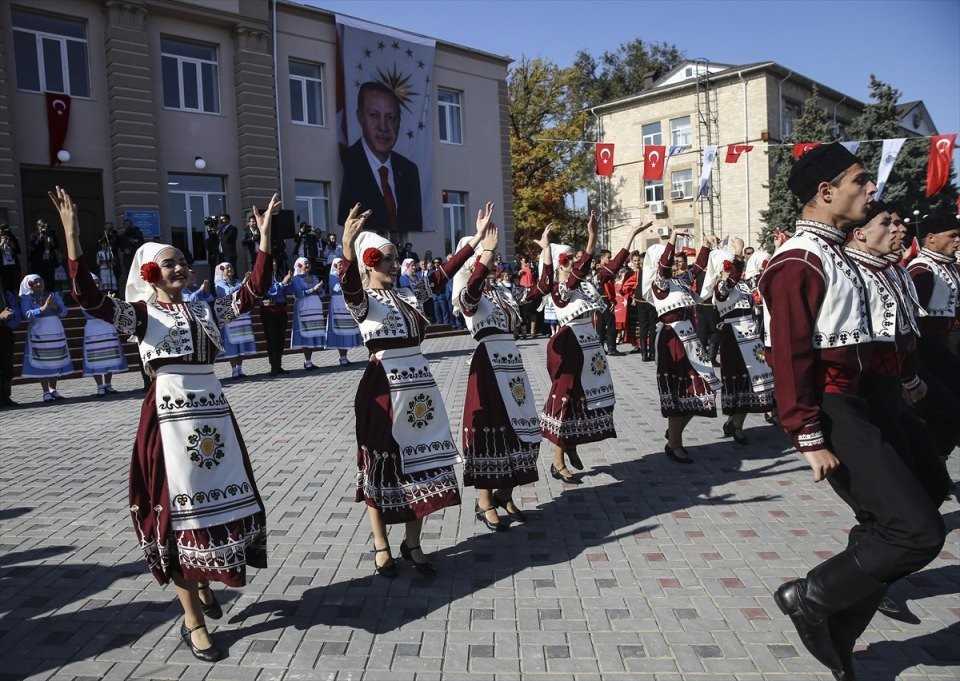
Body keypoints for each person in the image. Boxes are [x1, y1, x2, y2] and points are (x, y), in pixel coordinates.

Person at [54, 186, 277, 663]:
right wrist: (73, 238)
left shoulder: (206, 308)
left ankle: (202, 585)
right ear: (151, 272)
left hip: (213, 415)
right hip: (169, 418)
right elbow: (89, 299)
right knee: (177, 513)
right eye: (170, 263)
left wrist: (263, 240)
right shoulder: (139, 314)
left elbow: (253, 292)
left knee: (221, 503)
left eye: (183, 262)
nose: (181, 268)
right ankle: (192, 619)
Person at [757, 143, 944, 680]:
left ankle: (839, 623)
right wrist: (808, 434)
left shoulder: (838, 252)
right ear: (826, 191)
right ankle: (810, 598)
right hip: (835, 407)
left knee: (924, 495)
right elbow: (788, 357)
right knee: (917, 532)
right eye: (861, 181)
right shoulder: (799, 260)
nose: (871, 190)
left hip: (871, 397)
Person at [339, 201, 482, 578]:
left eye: (395, 257)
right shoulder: (364, 302)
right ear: (369, 261)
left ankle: (413, 543)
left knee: (422, 464)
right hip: (383, 387)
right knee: (381, 465)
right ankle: (381, 544)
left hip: (419, 387)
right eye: (386, 258)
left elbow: (443, 273)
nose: (394, 263)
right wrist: (346, 248)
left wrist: (475, 241)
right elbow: (349, 285)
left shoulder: (409, 293)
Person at [454, 211, 552, 531]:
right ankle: (484, 501)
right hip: (488, 365)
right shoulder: (470, 293)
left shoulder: (504, 291)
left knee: (521, 431)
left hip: (512, 365)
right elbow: (470, 296)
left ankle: (505, 494)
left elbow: (539, 290)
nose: (494, 261)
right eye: (487, 257)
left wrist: (546, 251)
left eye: (493, 257)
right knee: (490, 432)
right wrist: (484, 249)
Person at [540, 213, 651, 483]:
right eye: (569, 261)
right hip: (568, 344)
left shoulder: (586, 284)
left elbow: (614, 264)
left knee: (584, 398)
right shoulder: (559, 289)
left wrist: (632, 234)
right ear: (560, 265)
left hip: (588, 345)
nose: (575, 264)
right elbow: (579, 272)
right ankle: (557, 461)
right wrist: (591, 237)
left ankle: (571, 444)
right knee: (566, 399)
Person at [642, 230, 720, 464]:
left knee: (705, 389)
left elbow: (697, 268)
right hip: (672, 341)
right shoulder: (660, 283)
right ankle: (675, 443)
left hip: (690, 341)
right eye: (671, 256)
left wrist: (705, 245)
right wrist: (672, 237)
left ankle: (673, 435)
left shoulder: (680, 281)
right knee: (680, 394)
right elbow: (665, 267)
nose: (675, 259)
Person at [337, 81, 423, 236]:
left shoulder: (409, 170)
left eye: (391, 117)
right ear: (360, 117)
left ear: (399, 122)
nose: (383, 127)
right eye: (374, 115)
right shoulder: (347, 162)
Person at [713, 241, 774, 445]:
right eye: (727, 266)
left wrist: (778, 247)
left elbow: (765, 276)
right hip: (733, 336)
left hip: (751, 337)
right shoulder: (720, 288)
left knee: (753, 380)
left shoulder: (745, 285)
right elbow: (731, 279)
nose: (730, 269)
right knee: (737, 378)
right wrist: (737, 254)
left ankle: (736, 423)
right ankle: (734, 422)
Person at [19, 273, 74, 401]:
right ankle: (45, 391)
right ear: (29, 285)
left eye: (41, 281)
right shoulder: (26, 298)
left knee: (55, 358)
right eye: (36, 282)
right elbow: (27, 314)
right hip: (39, 331)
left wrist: (55, 306)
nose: (39, 284)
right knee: (42, 361)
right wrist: (42, 308)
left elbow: (64, 312)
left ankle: (53, 389)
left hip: (54, 329)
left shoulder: (53, 295)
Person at [81, 273, 128, 396]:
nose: (96, 284)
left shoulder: (105, 296)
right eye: (93, 283)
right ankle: (99, 386)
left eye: (97, 282)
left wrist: (112, 302)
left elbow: (113, 312)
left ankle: (108, 384)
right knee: (96, 358)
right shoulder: (84, 298)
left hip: (107, 327)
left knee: (109, 356)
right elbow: (90, 313)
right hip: (93, 328)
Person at [214, 263, 256, 378]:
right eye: (226, 268)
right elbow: (228, 293)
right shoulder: (219, 284)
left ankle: (240, 369)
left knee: (240, 340)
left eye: (230, 267)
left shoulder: (236, 281)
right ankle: (233, 369)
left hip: (240, 315)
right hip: (229, 315)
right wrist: (243, 283)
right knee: (232, 342)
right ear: (221, 271)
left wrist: (248, 282)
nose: (229, 269)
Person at [290, 257, 326, 369]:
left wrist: (319, 290)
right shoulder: (296, 279)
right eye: (305, 264)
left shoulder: (314, 277)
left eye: (309, 264)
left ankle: (309, 360)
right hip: (304, 308)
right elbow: (299, 294)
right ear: (299, 265)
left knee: (312, 334)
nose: (307, 266)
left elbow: (322, 294)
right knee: (306, 334)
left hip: (315, 308)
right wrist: (313, 289)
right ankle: (308, 361)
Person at [325, 256, 362, 366]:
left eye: (342, 264)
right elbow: (336, 288)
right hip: (337, 305)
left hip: (345, 303)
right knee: (340, 330)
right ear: (335, 266)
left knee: (346, 330)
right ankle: (342, 357)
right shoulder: (332, 276)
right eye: (339, 264)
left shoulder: (344, 275)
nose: (341, 266)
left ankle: (344, 356)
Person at [261, 261, 293, 376]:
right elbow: (270, 292)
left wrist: (289, 282)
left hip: (280, 310)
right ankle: (273, 366)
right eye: (271, 264)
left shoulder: (278, 276)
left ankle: (278, 365)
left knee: (280, 339)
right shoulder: (263, 277)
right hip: (269, 311)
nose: (273, 266)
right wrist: (282, 283)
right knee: (272, 339)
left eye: (274, 264)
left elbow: (287, 291)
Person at [0, 279, 22, 408]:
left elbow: (16, 315)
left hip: (6, 335)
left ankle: (5, 396)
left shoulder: (6, 294)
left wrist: (11, 315)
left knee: (7, 368)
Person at [28, 219, 61, 291]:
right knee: (41, 280)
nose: (44, 228)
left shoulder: (51, 235)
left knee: (51, 280)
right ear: (38, 226)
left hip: (50, 261)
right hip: (39, 263)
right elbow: (33, 248)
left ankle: (51, 294)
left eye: (45, 226)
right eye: (42, 226)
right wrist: (40, 237)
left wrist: (52, 242)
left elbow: (57, 246)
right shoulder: (34, 235)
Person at [115, 218, 144, 287]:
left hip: (136, 256)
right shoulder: (123, 236)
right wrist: (124, 249)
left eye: (129, 224)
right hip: (127, 258)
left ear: (131, 225)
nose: (127, 226)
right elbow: (120, 245)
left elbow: (141, 243)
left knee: (138, 272)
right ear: (124, 226)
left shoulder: (137, 233)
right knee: (129, 273)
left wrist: (134, 241)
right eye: (126, 224)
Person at [0, 223, 23, 293]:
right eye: (2, 230)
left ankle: (14, 300)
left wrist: (12, 245)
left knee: (14, 284)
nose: (4, 232)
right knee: (5, 285)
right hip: (3, 266)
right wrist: (1, 243)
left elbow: (19, 251)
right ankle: (6, 302)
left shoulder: (12, 239)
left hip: (13, 265)